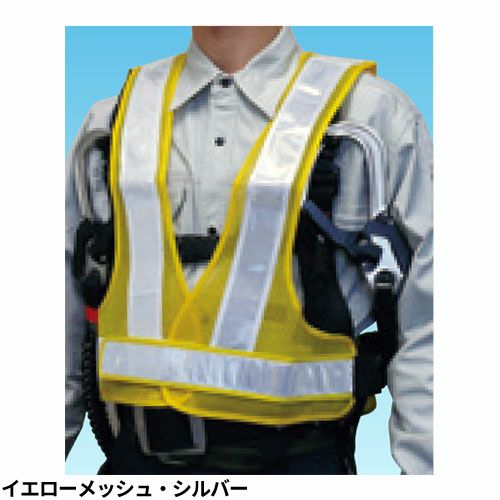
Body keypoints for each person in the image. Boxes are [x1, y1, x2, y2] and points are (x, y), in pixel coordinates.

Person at [66, 26, 433, 475]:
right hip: (136, 462)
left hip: (302, 462)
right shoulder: (112, 122)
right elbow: (58, 314)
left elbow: (432, 318)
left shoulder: (369, 115)